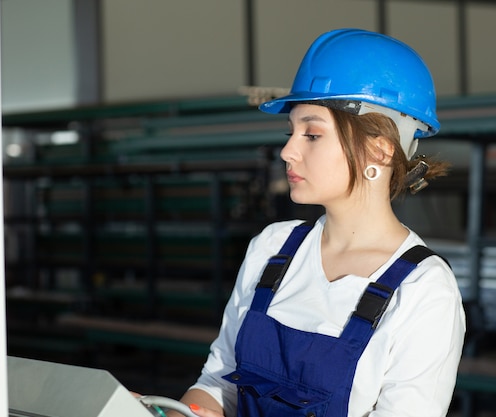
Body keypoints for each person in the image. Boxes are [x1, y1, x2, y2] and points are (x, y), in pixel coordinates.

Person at [170, 28, 466, 417]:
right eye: (290, 132)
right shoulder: (272, 248)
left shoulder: (423, 290)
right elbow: (219, 382)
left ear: (378, 148)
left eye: (312, 134)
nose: (288, 151)